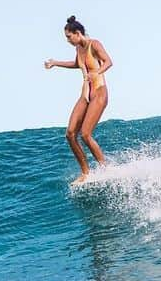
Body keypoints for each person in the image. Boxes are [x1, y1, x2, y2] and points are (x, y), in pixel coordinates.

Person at [44, 15, 113, 184]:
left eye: (69, 37)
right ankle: (86, 172)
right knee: (70, 134)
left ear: (78, 33)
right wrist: (56, 63)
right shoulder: (78, 50)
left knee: (86, 134)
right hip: (85, 95)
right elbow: (77, 64)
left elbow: (108, 62)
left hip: (99, 92)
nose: (68, 40)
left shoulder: (93, 44)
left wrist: (97, 72)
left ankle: (106, 169)